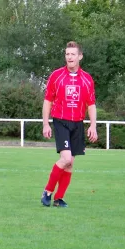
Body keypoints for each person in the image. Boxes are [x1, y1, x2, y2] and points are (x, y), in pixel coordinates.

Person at [41, 41, 97, 208]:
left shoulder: (87, 79)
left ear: (80, 56)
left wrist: (93, 125)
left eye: (73, 54)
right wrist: (45, 124)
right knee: (65, 158)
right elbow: (47, 101)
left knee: (70, 163)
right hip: (61, 121)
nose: (69, 57)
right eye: (67, 54)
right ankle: (48, 191)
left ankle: (59, 198)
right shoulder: (56, 76)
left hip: (78, 123)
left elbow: (91, 104)